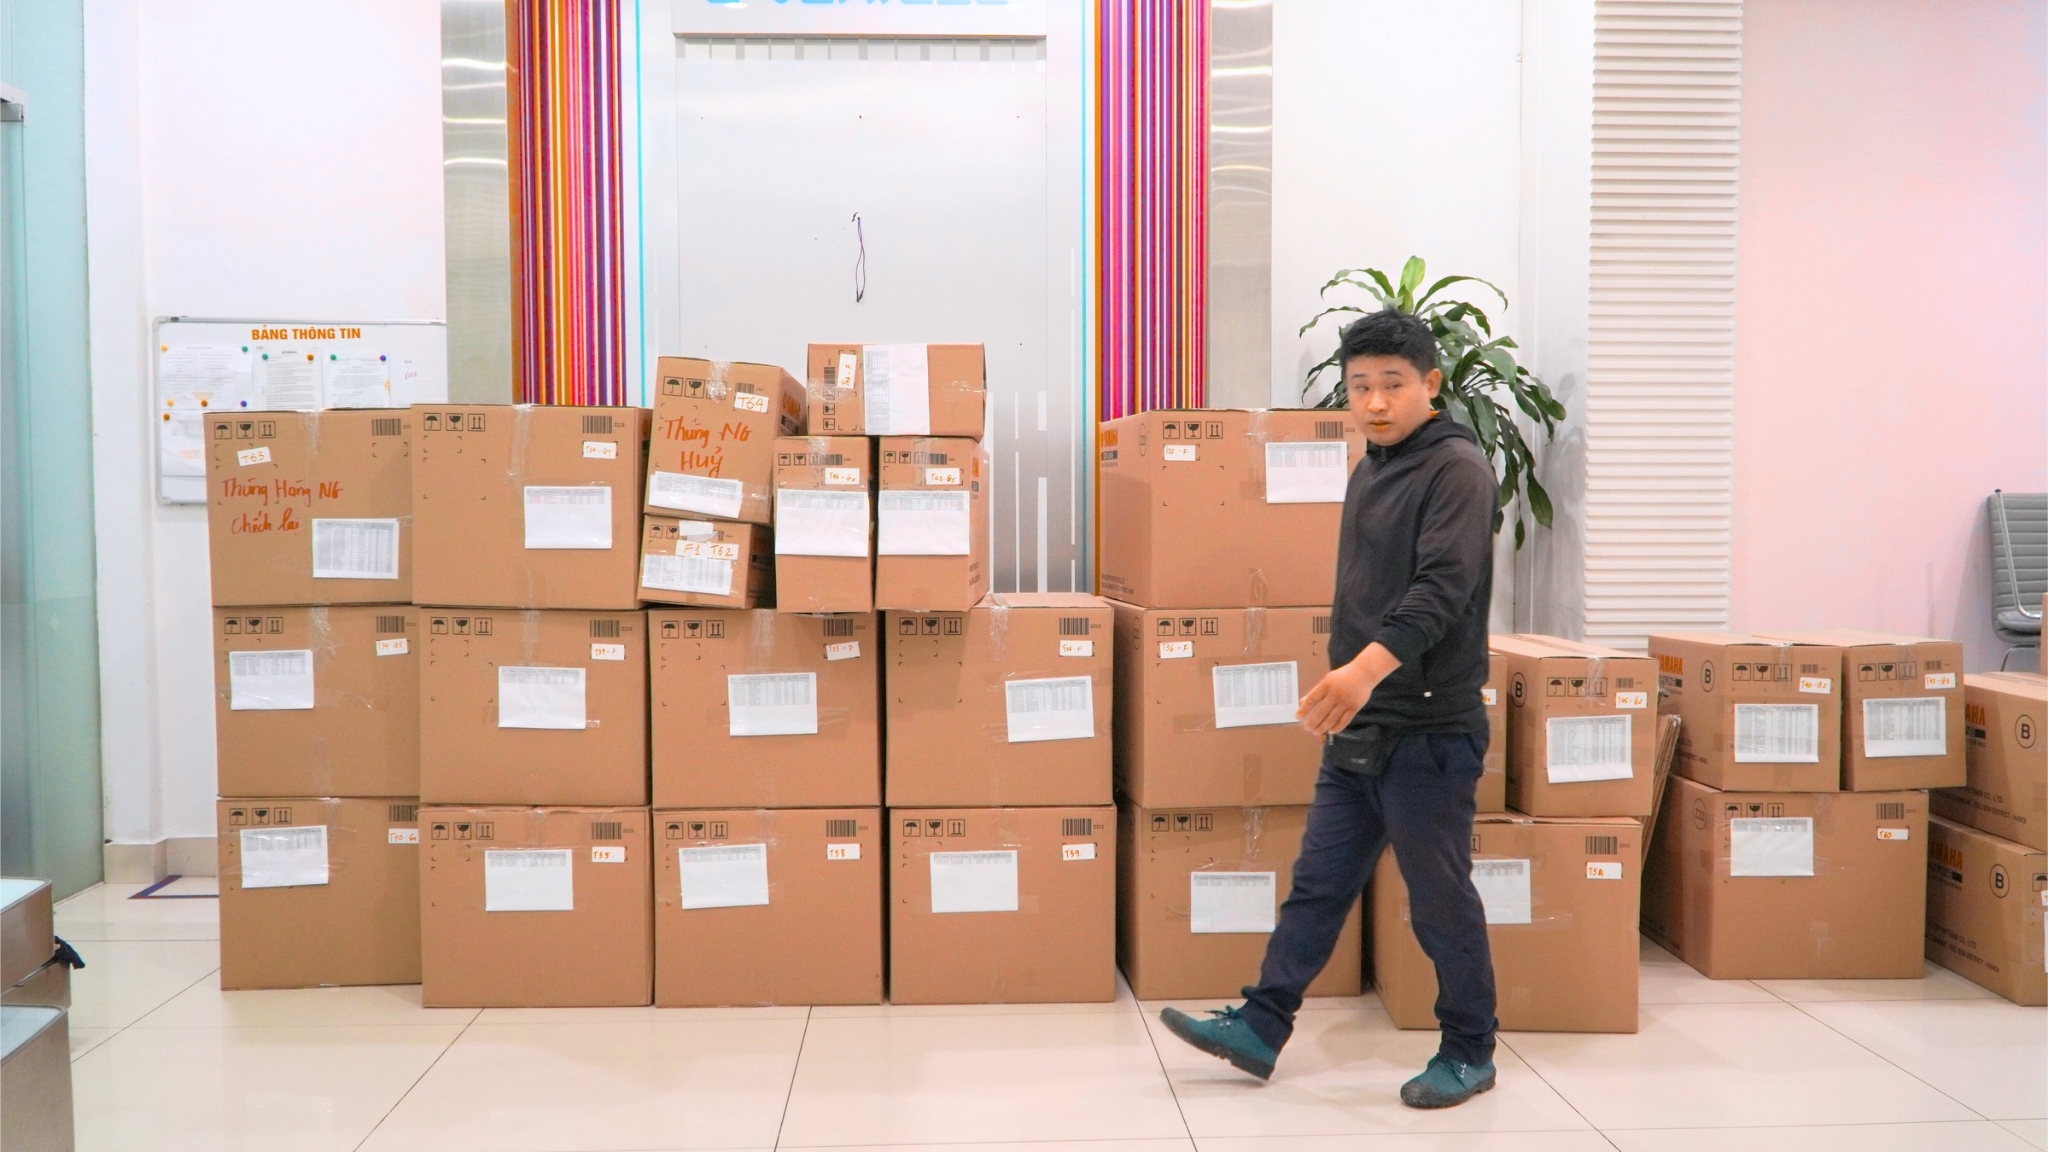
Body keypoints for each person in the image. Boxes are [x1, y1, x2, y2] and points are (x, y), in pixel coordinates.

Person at [1158, 306, 1501, 1109]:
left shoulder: (1457, 469)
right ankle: (1262, 1024)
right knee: (1317, 885)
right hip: (1363, 721)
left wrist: (1362, 673)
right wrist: (1351, 683)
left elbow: (1440, 592)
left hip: (1428, 730)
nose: (1375, 402)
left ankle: (1470, 1050)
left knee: (1439, 900)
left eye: (1393, 385)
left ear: (1431, 383)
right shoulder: (1373, 466)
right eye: (1360, 386)